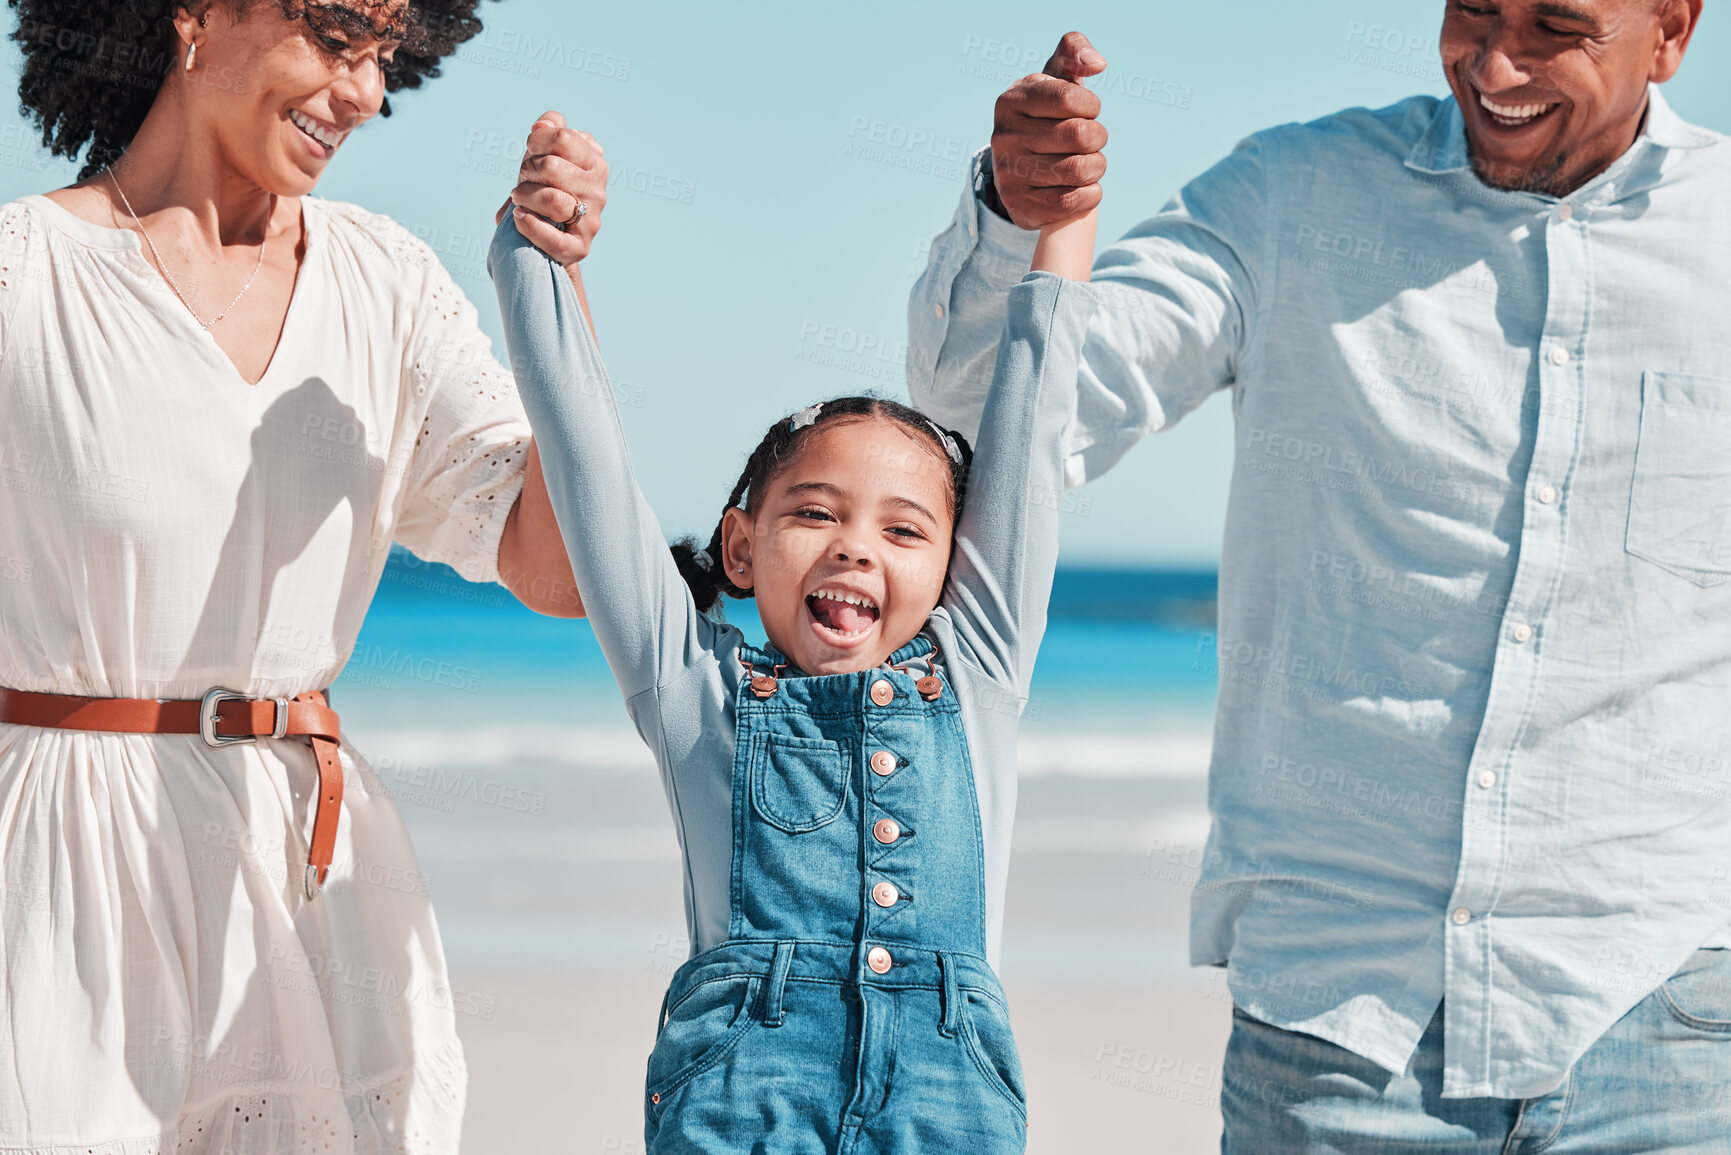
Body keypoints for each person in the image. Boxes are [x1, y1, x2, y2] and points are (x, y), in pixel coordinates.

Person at [909, 4, 1731, 1150]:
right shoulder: (1292, 198)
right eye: (1473, 13)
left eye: (1554, 27)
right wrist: (1019, 227)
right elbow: (997, 436)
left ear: (1673, 30)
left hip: (1672, 1023)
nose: (1494, 65)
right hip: (1340, 1027)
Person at [0, 1, 603, 1150]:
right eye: (334, 39)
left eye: (385, 58)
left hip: (308, 870)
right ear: (194, 17)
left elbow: (558, 570)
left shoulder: (387, 285)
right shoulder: (26, 278)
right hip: (55, 868)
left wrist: (555, 295)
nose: (366, 94)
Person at [488, 141, 1098, 1148]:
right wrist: (540, 253)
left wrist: (1065, 220)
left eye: (903, 531)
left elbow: (1031, 427)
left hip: (950, 1097)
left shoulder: (980, 673)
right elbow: (586, 457)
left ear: (952, 574)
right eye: (816, 514)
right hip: (742, 1086)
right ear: (741, 545)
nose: (857, 548)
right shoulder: (694, 689)